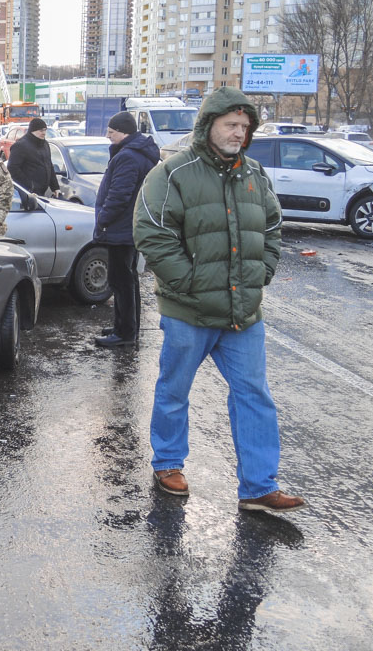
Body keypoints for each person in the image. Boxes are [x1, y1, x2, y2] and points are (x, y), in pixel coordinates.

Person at [133, 86, 306, 514]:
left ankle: (259, 486)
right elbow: (152, 231)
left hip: (243, 312)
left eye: (244, 127)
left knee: (254, 396)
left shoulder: (255, 174)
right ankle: (168, 463)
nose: (239, 133)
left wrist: (262, 272)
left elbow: (272, 227)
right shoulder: (173, 173)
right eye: (231, 125)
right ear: (208, 125)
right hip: (188, 310)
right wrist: (189, 281)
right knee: (174, 390)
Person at [93, 111, 160, 348]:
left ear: (124, 132)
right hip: (130, 226)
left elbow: (119, 195)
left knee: (121, 282)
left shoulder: (128, 157)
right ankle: (126, 326)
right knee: (128, 280)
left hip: (121, 228)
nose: (108, 136)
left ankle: (125, 333)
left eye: (111, 132)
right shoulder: (137, 153)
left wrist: (103, 219)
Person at [6, 117, 61, 198]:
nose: (44, 133)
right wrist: (30, 186)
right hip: (27, 193)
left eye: (45, 130)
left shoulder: (45, 144)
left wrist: (55, 187)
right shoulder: (20, 145)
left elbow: (49, 166)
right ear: (33, 131)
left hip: (41, 192)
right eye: (41, 130)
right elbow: (12, 168)